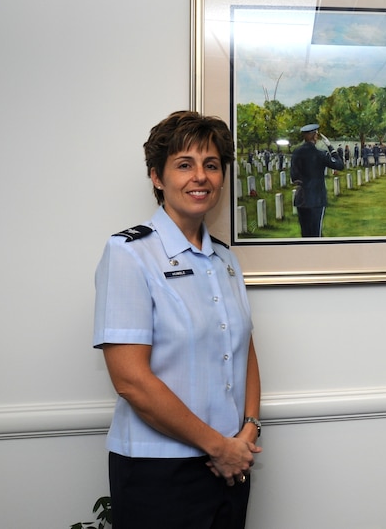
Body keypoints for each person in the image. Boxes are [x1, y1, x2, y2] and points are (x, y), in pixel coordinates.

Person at [93, 111, 262, 529]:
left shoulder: (225, 258)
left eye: (211, 165)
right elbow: (131, 379)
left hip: (232, 460)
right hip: (159, 471)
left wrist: (249, 430)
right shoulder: (129, 253)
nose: (199, 177)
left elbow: (245, 350)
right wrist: (217, 447)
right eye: (184, 164)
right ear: (157, 176)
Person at [290, 123, 345, 237]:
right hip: (316, 199)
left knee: (305, 235)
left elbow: (294, 176)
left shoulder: (296, 153)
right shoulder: (320, 154)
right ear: (315, 136)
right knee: (316, 235)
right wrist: (330, 146)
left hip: (301, 199)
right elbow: (339, 165)